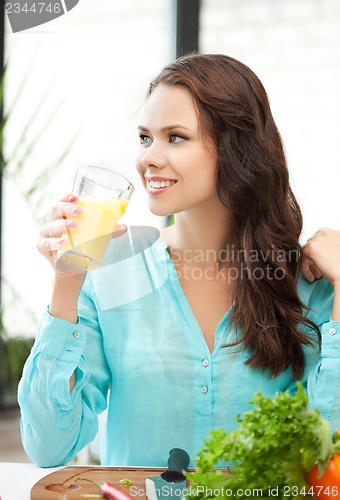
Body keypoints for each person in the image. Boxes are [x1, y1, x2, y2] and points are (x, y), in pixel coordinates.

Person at [18, 53, 340, 468]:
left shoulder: (307, 282)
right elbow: (48, 446)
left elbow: (328, 447)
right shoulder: (110, 272)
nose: (148, 158)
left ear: (236, 148)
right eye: (145, 137)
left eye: (175, 137)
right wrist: (66, 282)